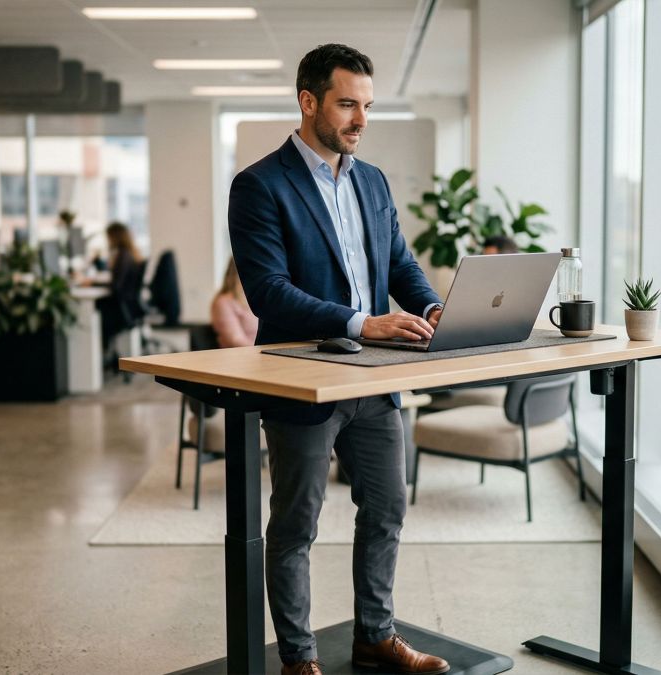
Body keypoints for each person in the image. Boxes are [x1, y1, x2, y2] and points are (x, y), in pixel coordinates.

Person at [228, 44, 449, 675]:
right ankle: (299, 659)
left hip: (373, 378)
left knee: (386, 508)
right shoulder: (260, 186)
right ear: (308, 102)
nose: (360, 119)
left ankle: (373, 637)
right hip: (301, 380)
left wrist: (431, 308)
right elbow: (268, 290)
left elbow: (400, 264)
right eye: (347, 103)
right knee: (296, 525)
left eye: (367, 106)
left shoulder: (371, 181)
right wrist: (360, 320)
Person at [96, 222, 145, 350]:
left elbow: (115, 286)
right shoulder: (129, 253)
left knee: (94, 310)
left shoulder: (122, 255)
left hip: (121, 309)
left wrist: (93, 282)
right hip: (128, 306)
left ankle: (102, 349)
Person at [210, 259, 258, 348]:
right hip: (242, 357)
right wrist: (264, 349)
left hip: (260, 354)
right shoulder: (223, 302)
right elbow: (235, 340)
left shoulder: (256, 298)